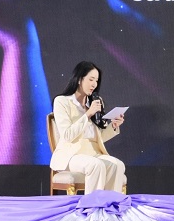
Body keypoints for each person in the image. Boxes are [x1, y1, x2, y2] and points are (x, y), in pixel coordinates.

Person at [50, 61, 126, 193]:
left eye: (96, 80)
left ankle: (110, 203)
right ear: (79, 79)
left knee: (118, 165)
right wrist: (88, 114)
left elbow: (98, 137)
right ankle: (92, 204)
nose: (94, 84)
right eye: (91, 79)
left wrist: (113, 126)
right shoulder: (62, 101)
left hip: (94, 153)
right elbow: (67, 135)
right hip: (71, 155)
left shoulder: (94, 103)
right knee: (96, 165)